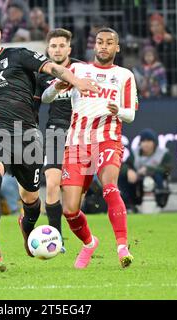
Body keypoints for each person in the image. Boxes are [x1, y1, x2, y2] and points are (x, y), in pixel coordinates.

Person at [0, 14, 99, 264]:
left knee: (31, 200)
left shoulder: (18, 55)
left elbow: (53, 68)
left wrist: (77, 81)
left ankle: (27, 226)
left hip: (26, 135)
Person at [42, 27, 138, 269]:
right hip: (76, 144)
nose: (104, 46)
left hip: (107, 139)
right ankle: (89, 243)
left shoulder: (125, 75)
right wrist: (57, 87)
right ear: (94, 46)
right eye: (99, 42)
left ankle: (122, 247)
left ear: (117, 48)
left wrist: (119, 112)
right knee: (70, 210)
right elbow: (45, 97)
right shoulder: (77, 70)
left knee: (109, 187)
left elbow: (130, 114)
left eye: (109, 42)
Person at [35, 28, 80, 253]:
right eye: (53, 46)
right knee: (52, 183)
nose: (57, 49)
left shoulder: (82, 69)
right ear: (48, 49)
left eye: (62, 45)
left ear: (69, 49)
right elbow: (40, 100)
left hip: (80, 133)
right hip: (54, 131)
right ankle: (57, 237)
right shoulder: (43, 73)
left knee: (75, 193)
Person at [119, 128, 172, 212]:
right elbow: (125, 165)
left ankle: (159, 202)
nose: (146, 144)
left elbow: (166, 169)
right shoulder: (135, 153)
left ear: (154, 143)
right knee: (123, 176)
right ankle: (129, 204)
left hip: (156, 182)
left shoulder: (163, 154)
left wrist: (148, 169)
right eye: (143, 141)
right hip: (138, 180)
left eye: (149, 141)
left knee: (157, 177)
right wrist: (129, 171)